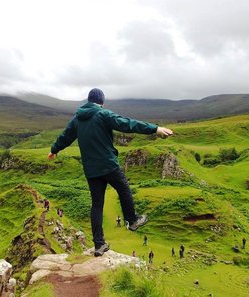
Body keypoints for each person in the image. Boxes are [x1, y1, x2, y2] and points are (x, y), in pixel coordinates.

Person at [49, 88, 173, 257]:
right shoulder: (103, 114)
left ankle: (99, 245)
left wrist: (54, 149)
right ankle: (132, 220)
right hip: (108, 165)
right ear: (102, 102)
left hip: (91, 170)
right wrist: (154, 128)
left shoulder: (77, 119)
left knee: (97, 205)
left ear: (88, 100)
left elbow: (65, 136)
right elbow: (127, 124)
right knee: (124, 189)